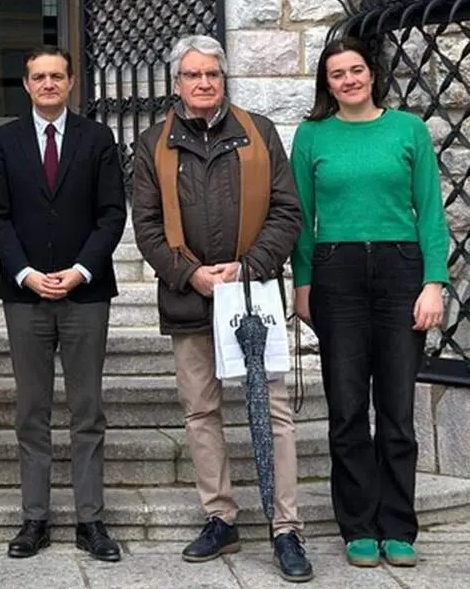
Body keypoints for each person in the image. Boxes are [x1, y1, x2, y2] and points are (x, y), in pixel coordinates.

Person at [131, 35, 313, 583]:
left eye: (212, 74)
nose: (203, 83)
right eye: (193, 75)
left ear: (224, 78)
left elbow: (287, 210)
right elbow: (144, 226)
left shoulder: (258, 133)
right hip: (191, 297)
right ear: (177, 83)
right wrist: (191, 275)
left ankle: (286, 527)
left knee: (274, 412)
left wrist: (249, 267)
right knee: (201, 411)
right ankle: (221, 517)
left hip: (252, 294)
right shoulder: (152, 143)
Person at [291, 37, 448, 570]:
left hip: (401, 270)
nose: (349, 80)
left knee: (397, 409)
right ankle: (358, 525)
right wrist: (303, 282)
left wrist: (434, 282)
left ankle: (398, 526)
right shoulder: (312, 136)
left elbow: (430, 211)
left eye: (356, 70)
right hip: (337, 274)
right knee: (347, 405)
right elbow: (300, 219)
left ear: (372, 74)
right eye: (337, 74)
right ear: (326, 83)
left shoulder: (408, 129)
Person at [0, 47, 127, 562]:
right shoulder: (4, 141)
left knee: (87, 409)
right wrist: (25, 273)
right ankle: (34, 517)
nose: (48, 84)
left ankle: (91, 519)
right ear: (26, 84)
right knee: (31, 410)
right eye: (38, 77)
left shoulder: (98, 138)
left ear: (71, 83)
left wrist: (80, 270)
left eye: (56, 76)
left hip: (85, 293)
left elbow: (112, 214)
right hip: (25, 295)